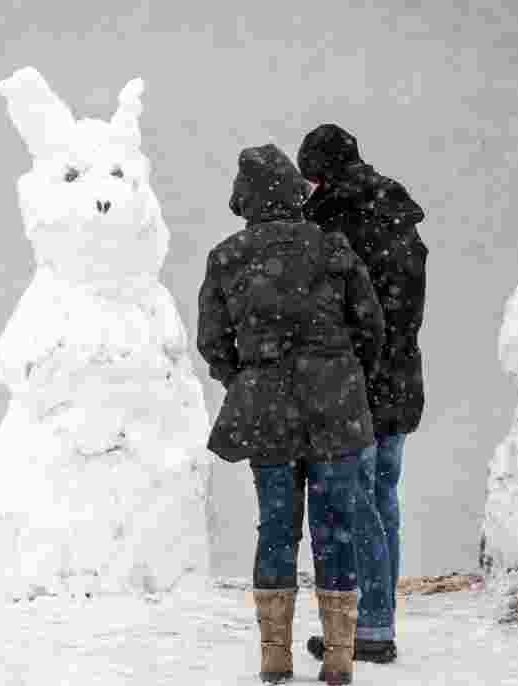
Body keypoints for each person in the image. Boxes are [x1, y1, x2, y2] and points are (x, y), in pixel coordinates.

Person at [197, 143, 385, 685]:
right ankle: (340, 657)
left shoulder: (227, 256)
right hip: (336, 407)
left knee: (277, 527)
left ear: (246, 200)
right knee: (336, 528)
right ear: (296, 195)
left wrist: (248, 376)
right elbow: (371, 328)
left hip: (268, 409)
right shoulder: (333, 250)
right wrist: (343, 373)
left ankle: (274, 654)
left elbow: (213, 342)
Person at [295, 124, 427, 665]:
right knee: (384, 502)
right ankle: (380, 618)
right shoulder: (398, 213)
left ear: (318, 174)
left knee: (356, 507)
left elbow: (335, 313)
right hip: (400, 378)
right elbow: (406, 307)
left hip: (356, 384)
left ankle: (368, 627)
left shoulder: (330, 223)